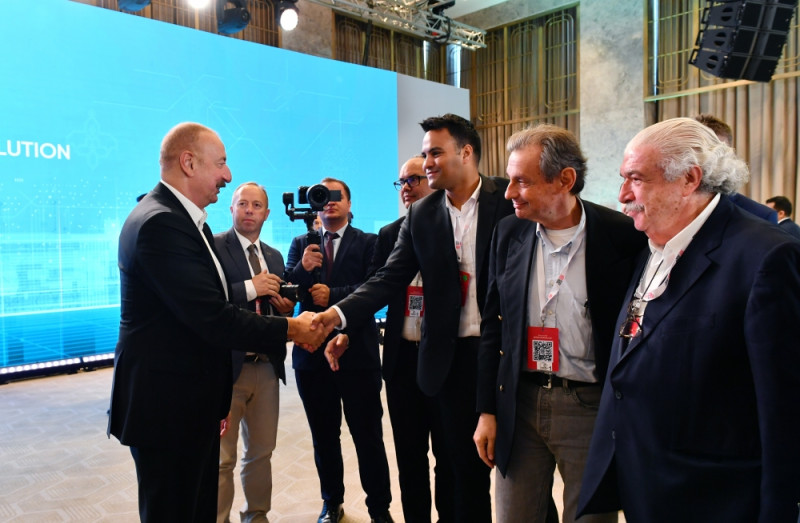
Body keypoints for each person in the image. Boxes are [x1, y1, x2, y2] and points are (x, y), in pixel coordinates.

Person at [577, 118, 800, 522]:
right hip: (645, 483)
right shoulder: (651, 244)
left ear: (689, 179)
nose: (622, 194)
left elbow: (783, 410)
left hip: (715, 497)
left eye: (636, 179)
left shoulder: (765, 257)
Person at [107, 122, 327, 522]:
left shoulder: (185, 221)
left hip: (189, 401)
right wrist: (292, 329)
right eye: (221, 163)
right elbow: (211, 316)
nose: (228, 174)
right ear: (189, 163)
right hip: (168, 407)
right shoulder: (161, 223)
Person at [315, 113, 514, 521]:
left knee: (478, 474)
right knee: (444, 462)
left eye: (435, 153)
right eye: (425, 155)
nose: (427, 163)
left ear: (466, 152)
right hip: (442, 358)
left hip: (496, 355)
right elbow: (387, 279)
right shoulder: (422, 215)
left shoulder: (507, 201)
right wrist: (335, 316)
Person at [473, 125, 646, 523]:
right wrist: (487, 410)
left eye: (522, 181)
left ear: (565, 179)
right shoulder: (509, 232)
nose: (509, 192)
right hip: (520, 404)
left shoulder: (622, 236)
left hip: (590, 407)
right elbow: (493, 327)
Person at [285, 178, 393, 523]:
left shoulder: (370, 242)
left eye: (337, 196)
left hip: (357, 354)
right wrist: (302, 268)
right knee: (324, 437)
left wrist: (332, 297)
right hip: (311, 356)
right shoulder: (301, 243)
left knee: (368, 437)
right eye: (322, 196)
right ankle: (332, 503)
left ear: (349, 204)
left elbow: (373, 288)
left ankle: (379, 509)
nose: (329, 201)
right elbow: (288, 290)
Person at [369, 156, 454, 523]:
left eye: (414, 179)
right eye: (401, 182)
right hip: (402, 361)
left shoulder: (455, 228)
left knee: (449, 457)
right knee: (409, 456)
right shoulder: (389, 234)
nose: (406, 188)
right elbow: (375, 287)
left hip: (446, 362)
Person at [213, 182, 296, 523]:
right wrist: (252, 287)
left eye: (256, 205)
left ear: (267, 213)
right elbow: (207, 300)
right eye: (243, 203)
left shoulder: (274, 256)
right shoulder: (213, 247)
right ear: (231, 209)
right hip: (227, 368)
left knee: (262, 452)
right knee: (222, 459)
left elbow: (275, 309)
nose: (249, 210)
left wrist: (286, 308)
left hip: (266, 368)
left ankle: (256, 516)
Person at [693, 114, 778, 223]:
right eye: (698, 151)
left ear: (730, 156)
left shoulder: (760, 216)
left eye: (717, 152)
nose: (707, 161)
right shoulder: (671, 210)